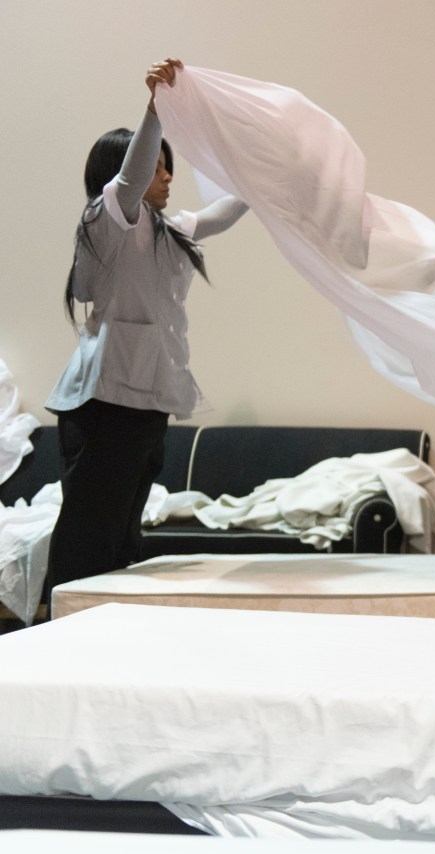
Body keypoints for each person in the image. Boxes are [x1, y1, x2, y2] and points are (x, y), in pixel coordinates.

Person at [43, 59, 248, 604]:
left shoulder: (167, 229)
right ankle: (61, 621)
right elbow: (130, 178)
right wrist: (156, 110)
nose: (167, 176)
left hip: (146, 401)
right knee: (92, 529)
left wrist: (262, 176)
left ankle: (104, 624)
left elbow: (221, 215)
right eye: (160, 166)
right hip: (105, 401)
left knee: (124, 531)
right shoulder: (105, 220)